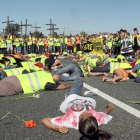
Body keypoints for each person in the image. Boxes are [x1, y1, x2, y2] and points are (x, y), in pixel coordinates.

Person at [41, 78, 114, 140]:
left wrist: (55, 128)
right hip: (89, 100)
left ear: (79, 122)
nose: (85, 111)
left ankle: (83, 93)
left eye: (82, 115)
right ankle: (89, 93)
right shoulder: (95, 121)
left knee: (79, 79)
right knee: (89, 93)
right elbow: (104, 113)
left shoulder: (70, 121)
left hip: (72, 97)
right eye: (89, 114)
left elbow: (44, 120)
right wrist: (110, 108)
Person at [0, 69, 72, 96]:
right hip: (17, 86)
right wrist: (72, 84)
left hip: (13, 78)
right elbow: (63, 86)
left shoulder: (43, 73)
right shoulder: (48, 84)